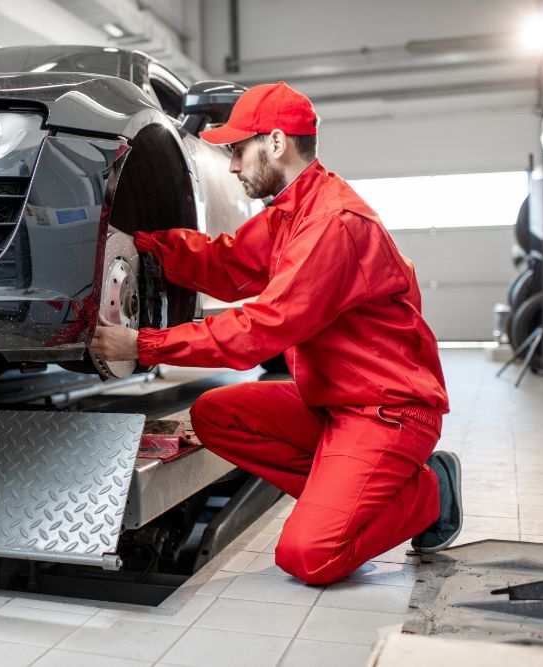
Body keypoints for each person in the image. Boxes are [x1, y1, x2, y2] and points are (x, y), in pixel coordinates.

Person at [88, 81, 462, 585]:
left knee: (308, 556)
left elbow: (260, 331)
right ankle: (343, 493)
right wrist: (146, 243)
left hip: (387, 411)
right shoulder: (290, 213)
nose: (233, 166)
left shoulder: (333, 223)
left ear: (277, 142)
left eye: (238, 150)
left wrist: (145, 345)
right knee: (215, 415)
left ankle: (430, 491)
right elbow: (227, 265)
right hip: (334, 403)